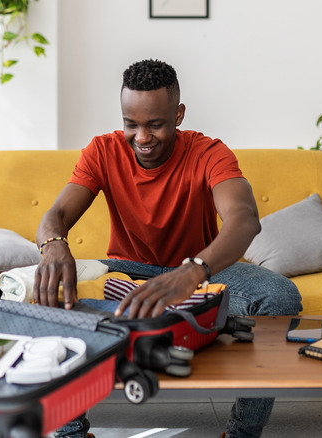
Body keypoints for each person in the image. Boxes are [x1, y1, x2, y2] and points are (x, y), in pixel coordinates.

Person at [33, 59, 302, 438]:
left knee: (280, 295)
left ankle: (242, 434)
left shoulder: (209, 152)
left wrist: (191, 273)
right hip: (127, 270)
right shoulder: (102, 151)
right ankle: (71, 434)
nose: (141, 137)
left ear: (178, 115)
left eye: (155, 124)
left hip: (202, 271)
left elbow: (244, 219)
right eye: (131, 124)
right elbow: (55, 215)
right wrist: (54, 244)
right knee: (45, 291)